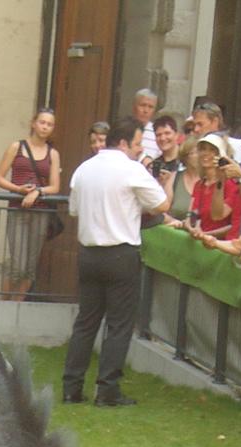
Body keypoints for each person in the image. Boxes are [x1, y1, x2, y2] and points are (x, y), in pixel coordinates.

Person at [61, 116, 168, 407]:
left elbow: (73, 210)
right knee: (119, 325)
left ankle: (71, 387)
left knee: (86, 322)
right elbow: (162, 204)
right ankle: (107, 389)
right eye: (135, 144)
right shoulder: (131, 169)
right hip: (121, 253)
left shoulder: (84, 168)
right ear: (122, 143)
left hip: (88, 253)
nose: (138, 150)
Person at [0, 108, 61, 301]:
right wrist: (19, 189)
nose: (45, 127)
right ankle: (4, 303)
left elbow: (55, 186)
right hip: (18, 208)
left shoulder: (53, 154)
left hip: (41, 211)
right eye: (42, 122)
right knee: (18, 264)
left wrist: (38, 191)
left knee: (30, 267)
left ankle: (17, 305)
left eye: (49, 124)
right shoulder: (17, 147)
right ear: (34, 123)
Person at [188, 133, 241, 239]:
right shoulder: (199, 184)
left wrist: (206, 235)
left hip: (219, 245)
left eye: (212, 150)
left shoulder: (231, 184)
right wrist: (191, 227)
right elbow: (192, 214)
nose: (206, 153)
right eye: (203, 149)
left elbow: (226, 221)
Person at [161, 135, 200, 224]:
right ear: (185, 156)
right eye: (195, 152)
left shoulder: (208, 181)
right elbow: (162, 210)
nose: (199, 156)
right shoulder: (175, 178)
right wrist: (173, 221)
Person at [131, 88, 160, 161]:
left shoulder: (157, 133)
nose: (146, 110)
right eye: (143, 105)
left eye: (150, 107)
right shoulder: (122, 129)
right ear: (134, 106)